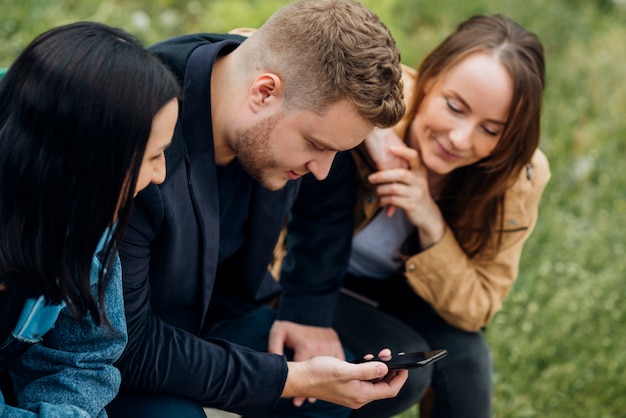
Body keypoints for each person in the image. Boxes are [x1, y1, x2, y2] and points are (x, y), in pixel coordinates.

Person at [105, 1, 407, 417]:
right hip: (133, 349)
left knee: (353, 390)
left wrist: (307, 309)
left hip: (225, 315)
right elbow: (127, 346)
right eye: (318, 146)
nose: (322, 170)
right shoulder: (141, 139)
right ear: (263, 92)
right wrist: (292, 378)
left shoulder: (269, 85)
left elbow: (330, 189)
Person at [274, 13, 550, 418]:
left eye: (491, 130)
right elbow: (251, 46)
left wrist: (429, 221)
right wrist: (374, 128)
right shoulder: (375, 94)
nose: (460, 139)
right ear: (428, 79)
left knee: (467, 361)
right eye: (455, 107)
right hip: (302, 272)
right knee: (400, 373)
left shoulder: (517, 175)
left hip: (401, 289)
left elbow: (477, 307)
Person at [0, 22, 180, 417]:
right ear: (88, 159)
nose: (160, 175)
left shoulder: (86, 223)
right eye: (152, 156)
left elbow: (85, 358)